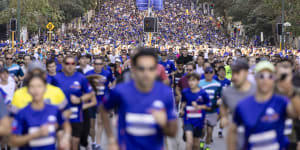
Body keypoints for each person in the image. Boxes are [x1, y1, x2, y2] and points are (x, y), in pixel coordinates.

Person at [100, 48, 178, 150]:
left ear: (156, 70)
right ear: (134, 69)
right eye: (142, 68)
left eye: (151, 69)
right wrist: (111, 138)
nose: (146, 73)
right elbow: (103, 108)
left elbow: (173, 132)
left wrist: (163, 124)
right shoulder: (121, 90)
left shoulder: (165, 93)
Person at [227, 61, 300, 150]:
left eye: (270, 76)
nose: (265, 80)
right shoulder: (243, 104)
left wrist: (290, 92)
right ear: (255, 78)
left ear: (274, 79)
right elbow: (233, 131)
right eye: (261, 76)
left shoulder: (281, 102)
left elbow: (296, 113)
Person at [10, 74, 71, 150]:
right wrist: (35, 135)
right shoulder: (21, 113)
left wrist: (65, 138)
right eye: (32, 87)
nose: (36, 90)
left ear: (45, 88)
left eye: (39, 86)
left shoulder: (54, 109)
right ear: (28, 90)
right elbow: (12, 141)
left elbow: (66, 124)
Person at [51, 56, 96, 150]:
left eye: (73, 64)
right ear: (63, 65)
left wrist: (80, 99)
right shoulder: (56, 78)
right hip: (61, 115)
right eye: (67, 63)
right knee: (62, 143)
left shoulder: (81, 78)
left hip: (76, 116)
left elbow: (90, 93)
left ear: (76, 65)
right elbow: (49, 94)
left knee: (74, 143)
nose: (70, 66)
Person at [85, 57, 114, 150]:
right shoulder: (88, 74)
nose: (98, 66)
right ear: (93, 65)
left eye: (100, 64)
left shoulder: (107, 73)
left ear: (102, 65)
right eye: (96, 64)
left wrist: (110, 93)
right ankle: (93, 142)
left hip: (102, 101)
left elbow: (113, 82)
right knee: (92, 125)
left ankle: (98, 144)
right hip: (91, 102)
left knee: (100, 123)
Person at [180, 73, 210, 150]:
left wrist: (199, 106)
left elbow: (208, 106)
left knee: (196, 145)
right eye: (189, 80)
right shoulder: (185, 92)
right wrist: (182, 109)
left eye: (193, 80)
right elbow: (183, 101)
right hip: (188, 120)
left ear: (198, 81)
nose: (191, 82)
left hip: (199, 121)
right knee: (189, 142)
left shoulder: (203, 93)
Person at [198, 66, 222, 149]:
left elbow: (222, 96)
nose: (208, 74)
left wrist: (220, 101)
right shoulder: (200, 83)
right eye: (206, 72)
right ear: (204, 74)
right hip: (202, 110)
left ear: (213, 73)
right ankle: (201, 142)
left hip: (212, 111)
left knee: (209, 131)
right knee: (203, 129)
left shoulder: (217, 84)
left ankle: (207, 146)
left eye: (210, 72)